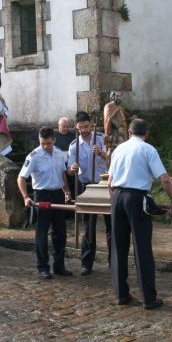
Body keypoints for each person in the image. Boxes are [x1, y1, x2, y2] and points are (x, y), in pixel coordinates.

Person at [108, 119, 172, 309]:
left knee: (118, 247)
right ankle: (149, 297)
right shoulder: (148, 150)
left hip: (117, 196)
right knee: (142, 248)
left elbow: (110, 181)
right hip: (136, 198)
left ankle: (121, 294)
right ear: (146, 133)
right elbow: (164, 179)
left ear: (129, 132)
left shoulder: (118, 150)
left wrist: (114, 200)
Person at [17, 126, 73, 280]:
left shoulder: (60, 154)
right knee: (42, 233)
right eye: (43, 143)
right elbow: (21, 178)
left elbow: (63, 174)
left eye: (48, 143)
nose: (46, 146)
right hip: (42, 195)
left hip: (58, 194)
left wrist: (67, 192)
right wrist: (25, 197)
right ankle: (43, 267)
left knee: (60, 232)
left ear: (54, 140)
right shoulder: (33, 156)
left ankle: (59, 265)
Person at [67, 111, 111, 275]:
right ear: (76, 127)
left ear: (91, 124)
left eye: (86, 126)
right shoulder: (74, 145)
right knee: (88, 227)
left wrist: (100, 153)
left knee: (110, 225)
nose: (84, 130)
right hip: (86, 185)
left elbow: (113, 159)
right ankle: (87, 263)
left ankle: (113, 261)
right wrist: (72, 169)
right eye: (81, 127)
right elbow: (70, 169)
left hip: (104, 184)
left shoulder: (102, 138)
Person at [103, 92, 129, 165]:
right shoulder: (108, 106)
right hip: (114, 133)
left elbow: (124, 118)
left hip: (123, 132)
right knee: (114, 151)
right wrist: (118, 127)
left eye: (120, 96)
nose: (119, 98)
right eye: (117, 96)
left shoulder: (120, 107)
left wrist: (131, 118)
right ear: (112, 97)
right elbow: (109, 119)